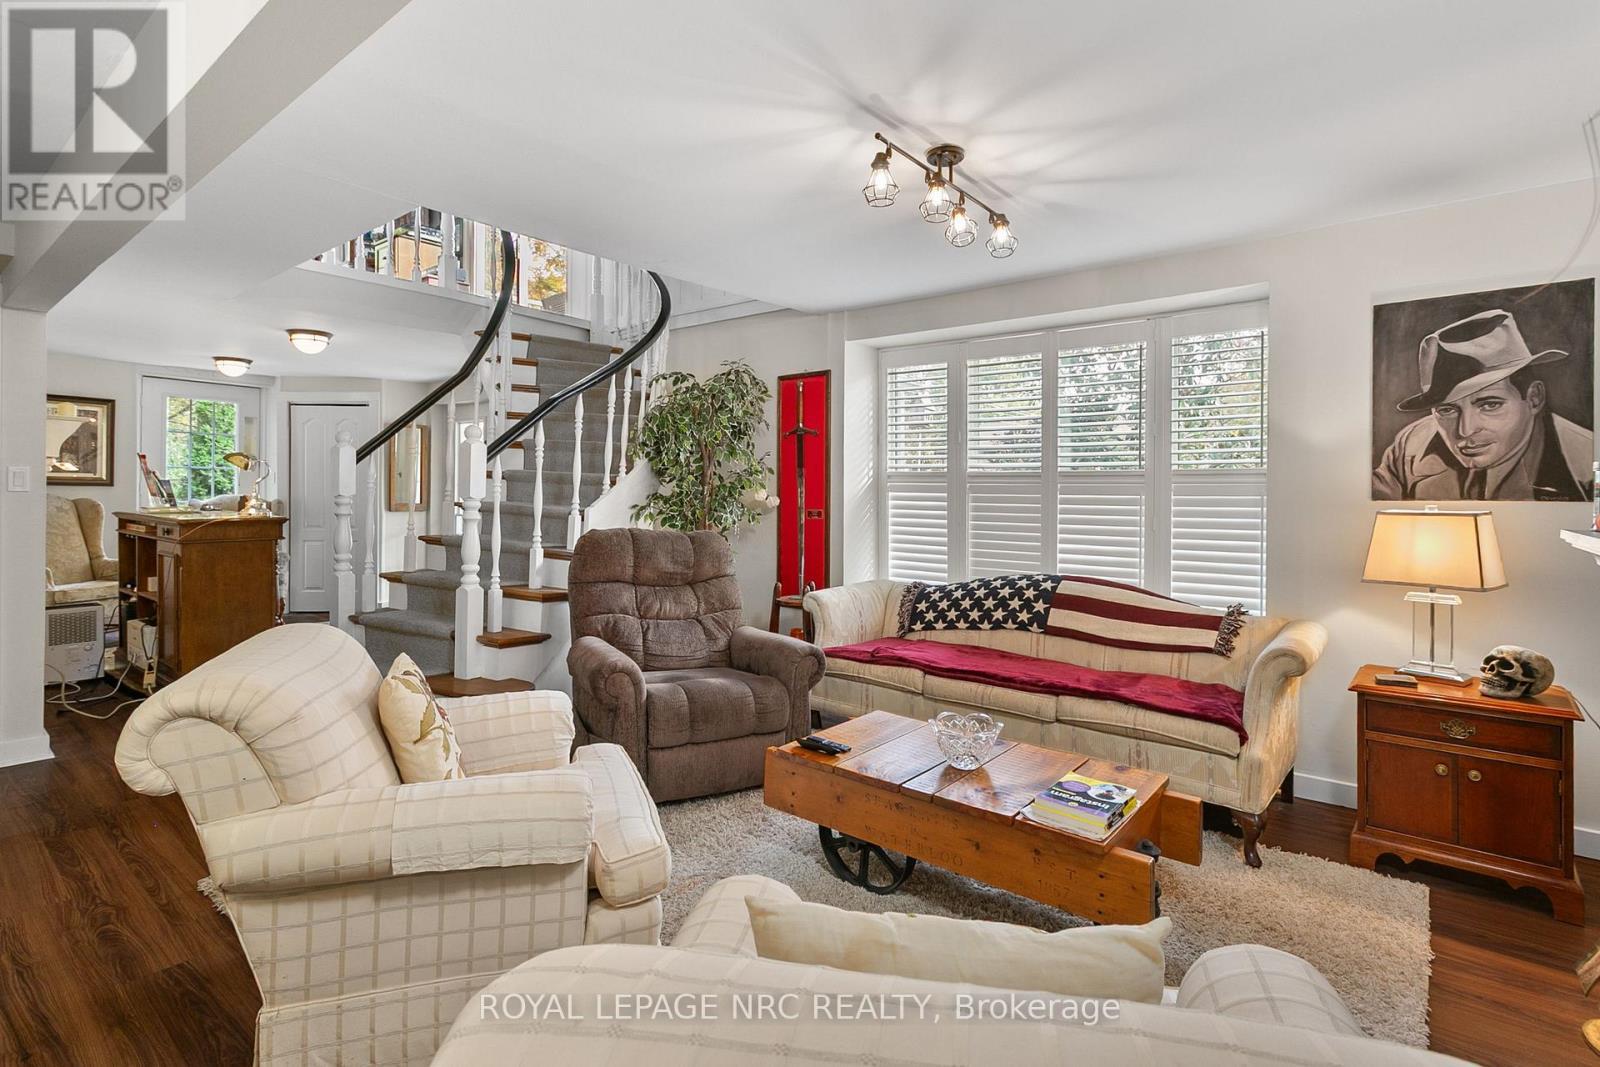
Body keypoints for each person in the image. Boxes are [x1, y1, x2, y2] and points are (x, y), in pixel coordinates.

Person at [1373, 308, 1593, 501]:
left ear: (1534, 398)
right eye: (1447, 409)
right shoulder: (1410, 445)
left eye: (1489, 405)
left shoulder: (1588, 465)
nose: (1465, 430)